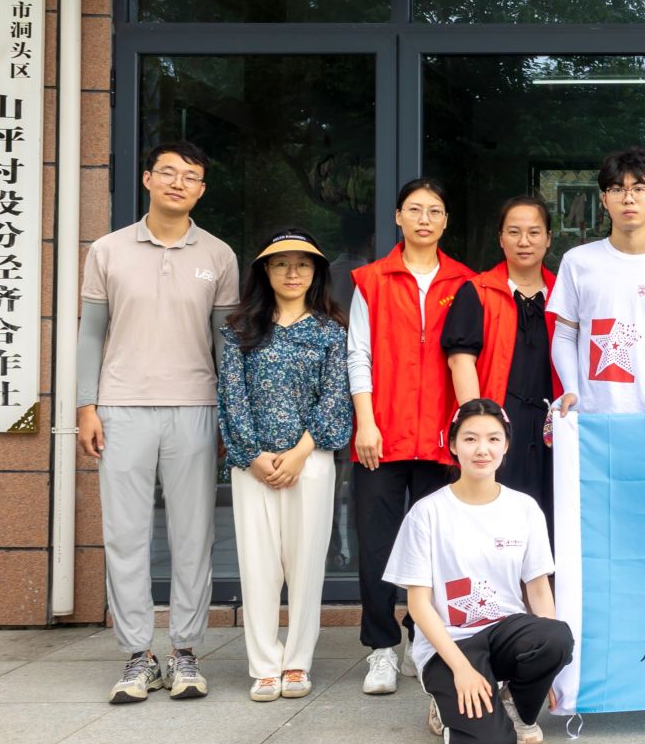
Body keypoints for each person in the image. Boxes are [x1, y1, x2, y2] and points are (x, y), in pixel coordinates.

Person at [78, 140, 239, 705]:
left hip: (195, 406)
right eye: (167, 172)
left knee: (193, 535)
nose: (178, 182)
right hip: (121, 407)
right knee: (124, 535)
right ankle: (137, 655)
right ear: (147, 179)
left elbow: (225, 344)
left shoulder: (218, 255)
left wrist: (230, 416)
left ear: (202, 189)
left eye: (190, 176)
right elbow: (90, 332)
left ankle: (185, 650)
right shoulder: (108, 250)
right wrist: (86, 405)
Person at [384, 399, 574, 744]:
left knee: (556, 637)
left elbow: (538, 590)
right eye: (470, 439)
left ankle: (513, 705)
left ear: (506, 445)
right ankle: (446, 704)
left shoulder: (524, 508)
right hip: (449, 644)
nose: (482, 449)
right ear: (454, 445)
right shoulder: (427, 513)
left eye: (493, 439)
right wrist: (461, 669)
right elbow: (418, 605)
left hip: (504, 634)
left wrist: (549, 670)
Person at [349, 179, 474, 696]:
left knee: (436, 550)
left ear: (446, 221)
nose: (425, 219)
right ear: (398, 217)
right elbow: (359, 354)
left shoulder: (464, 282)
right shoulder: (371, 280)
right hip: (382, 435)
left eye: (435, 211)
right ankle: (381, 647)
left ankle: (423, 639)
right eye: (415, 210)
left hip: (442, 437)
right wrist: (366, 421)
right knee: (378, 546)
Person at [217, 228, 353, 701]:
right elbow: (231, 398)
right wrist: (253, 455)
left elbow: (335, 398)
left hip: (309, 462)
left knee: (306, 565)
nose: (292, 273)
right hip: (251, 464)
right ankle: (263, 666)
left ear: (316, 272)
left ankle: (296, 663)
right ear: (265, 271)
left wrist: (299, 453)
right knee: (258, 566)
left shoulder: (331, 331)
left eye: (302, 264)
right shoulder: (239, 330)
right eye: (280, 264)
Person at [547, 147, 645, 422]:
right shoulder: (578, 261)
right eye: (618, 189)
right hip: (590, 417)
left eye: (639, 189)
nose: (628, 198)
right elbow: (564, 335)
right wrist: (571, 389)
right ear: (604, 199)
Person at [444, 196, 560, 530]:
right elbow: (461, 360)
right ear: (500, 238)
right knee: (495, 516)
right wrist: (478, 423)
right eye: (514, 232)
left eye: (534, 232)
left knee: (550, 513)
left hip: (553, 424)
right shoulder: (477, 291)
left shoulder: (565, 294)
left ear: (548, 238)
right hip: (500, 420)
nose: (524, 241)